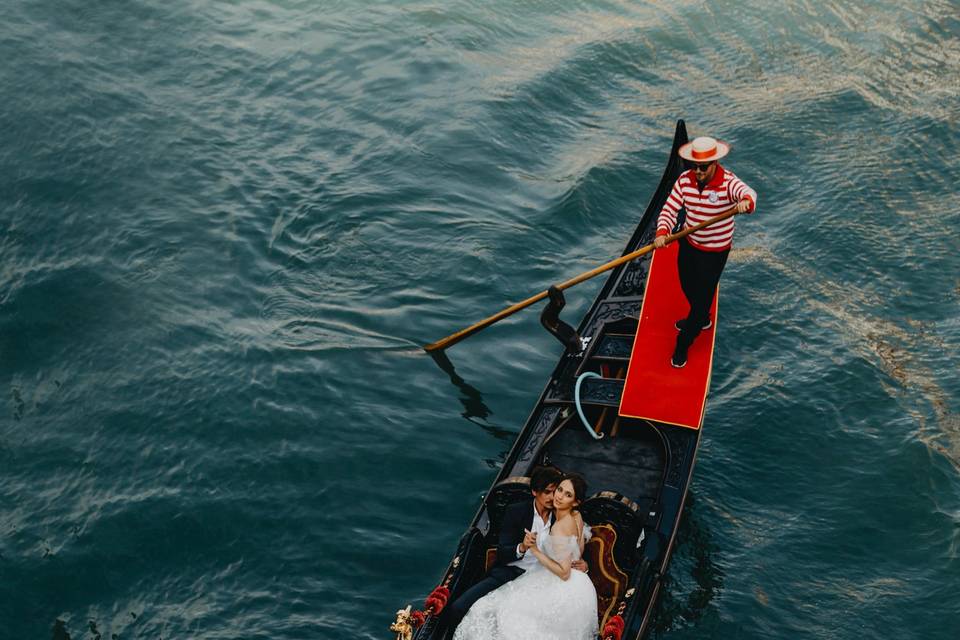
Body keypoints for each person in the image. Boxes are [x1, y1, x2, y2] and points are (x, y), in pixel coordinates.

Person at [653, 135, 757, 368]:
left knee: (699, 305)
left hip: (714, 252)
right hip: (689, 242)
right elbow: (670, 208)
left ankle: (684, 341)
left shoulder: (728, 182)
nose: (697, 172)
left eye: (702, 167)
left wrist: (746, 203)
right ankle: (703, 319)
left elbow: (749, 194)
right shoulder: (684, 180)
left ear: (714, 163)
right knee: (687, 285)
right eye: (694, 166)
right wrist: (662, 231)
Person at [453, 474, 599, 640]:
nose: (554, 497)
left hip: (545, 579)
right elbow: (502, 552)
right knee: (461, 608)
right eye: (549, 492)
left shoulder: (563, 516)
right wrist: (522, 547)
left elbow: (571, 549)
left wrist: (583, 564)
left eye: (559, 492)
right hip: (511, 572)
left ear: (574, 501)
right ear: (535, 492)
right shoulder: (517, 511)